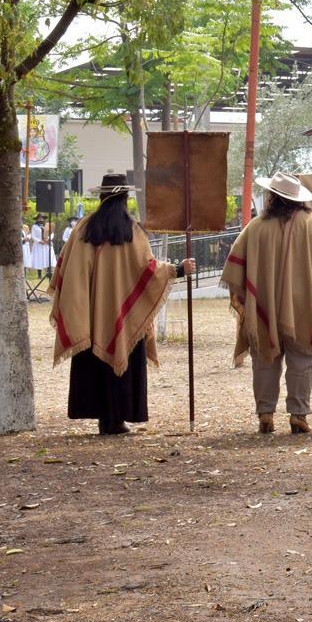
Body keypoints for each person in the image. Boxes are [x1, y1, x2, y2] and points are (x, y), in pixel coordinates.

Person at [50, 174, 195, 435]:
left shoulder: (83, 229)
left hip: (90, 316)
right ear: (125, 199)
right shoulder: (133, 231)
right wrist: (178, 270)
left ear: (102, 197)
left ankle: (103, 419)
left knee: (94, 361)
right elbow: (148, 270)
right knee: (123, 359)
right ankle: (117, 419)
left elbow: (65, 267)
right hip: (125, 319)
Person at [221, 173, 312, 435]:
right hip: (305, 307)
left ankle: (265, 413)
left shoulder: (256, 227)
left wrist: (247, 296)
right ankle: (298, 414)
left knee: (264, 358)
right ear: (298, 200)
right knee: (304, 360)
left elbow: (235, 266)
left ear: (272, 197)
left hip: (264, 306)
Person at [28, 213, 55, 277]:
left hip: (46, 244)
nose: (41, 219)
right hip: (39, 245)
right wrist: (40, 241)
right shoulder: (34, 227)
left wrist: (48, 239)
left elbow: (52, 234)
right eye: (39, 218)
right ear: (37, 219)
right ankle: (39, 275)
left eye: (42, 218)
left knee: (48, 257)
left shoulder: (47, 225)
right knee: (39, 259)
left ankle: (49, 273)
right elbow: (33, 236)